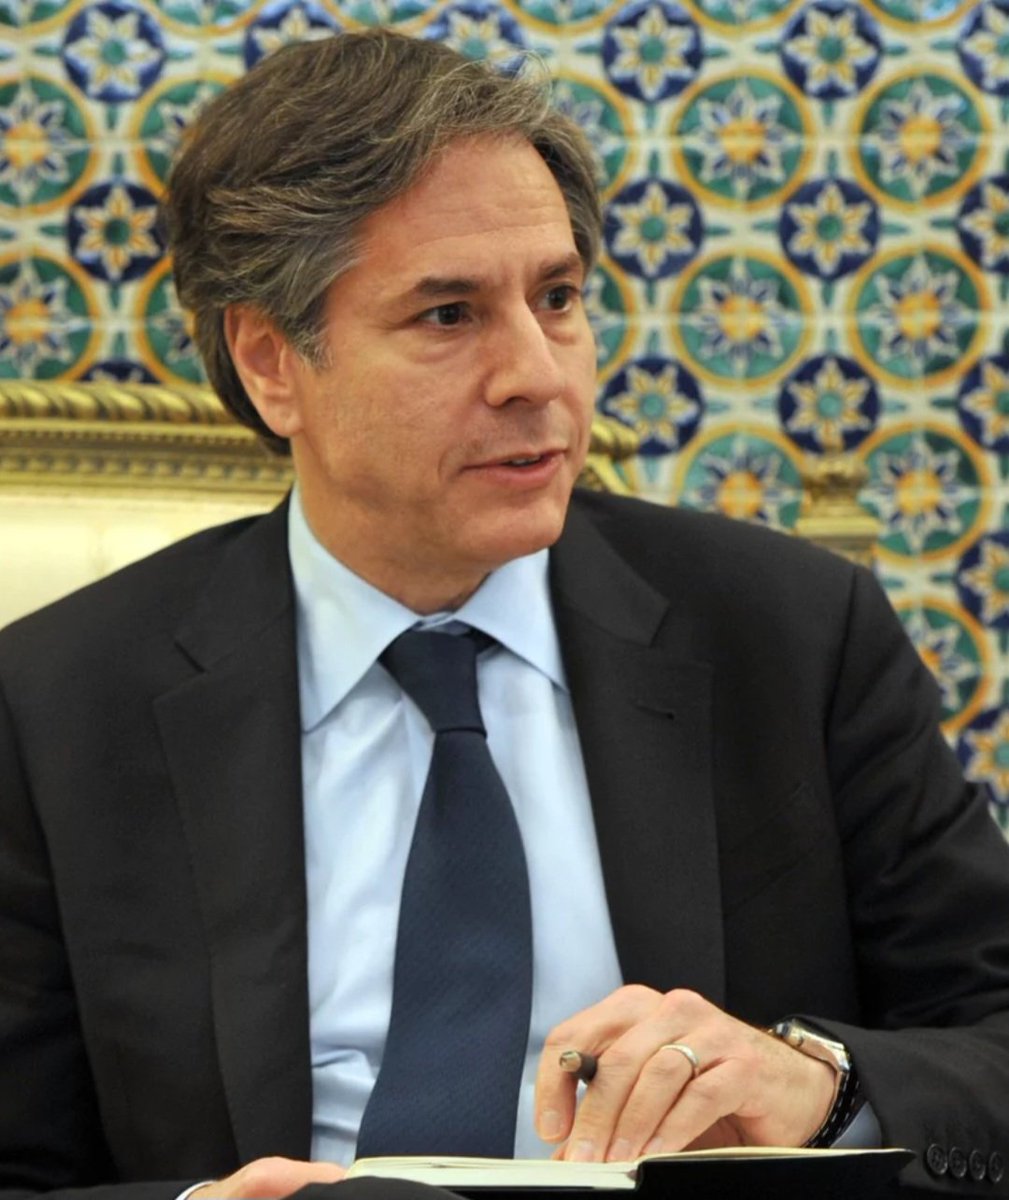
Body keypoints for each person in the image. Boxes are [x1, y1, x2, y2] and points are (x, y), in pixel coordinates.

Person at [1, 27, 1008, 1200]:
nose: (538, 374)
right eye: (448, 315)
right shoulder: (59, 705)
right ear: (272, 361)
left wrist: (821, 1086)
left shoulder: (791, 636)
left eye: (558, 297)